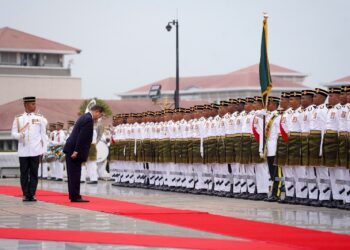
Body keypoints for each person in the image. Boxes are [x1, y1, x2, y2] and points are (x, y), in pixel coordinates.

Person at [63, 105, 104, 202]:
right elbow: (82, 137)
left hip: (71, 148)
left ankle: (73, 195)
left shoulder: (84, 116)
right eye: (100, 115)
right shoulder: (88, 119)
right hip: (74, 150)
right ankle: (75, 196)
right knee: (75, 174)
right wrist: (76, 151)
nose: (99, 117)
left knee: (72, 174)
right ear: (97, 112)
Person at [11, 96, 47, 202]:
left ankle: (32, 194)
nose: (34, 106)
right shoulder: (18, 119)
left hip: (36, 150)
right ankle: (26, 194)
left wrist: (44, 150)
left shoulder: (39, 118)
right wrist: (19, 136)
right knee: (24, 173)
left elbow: (43, 135)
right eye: (32, 104)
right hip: (23, 150)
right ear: (26, 105)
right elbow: (13, 133)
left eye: (35, 104)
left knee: (34, 173)